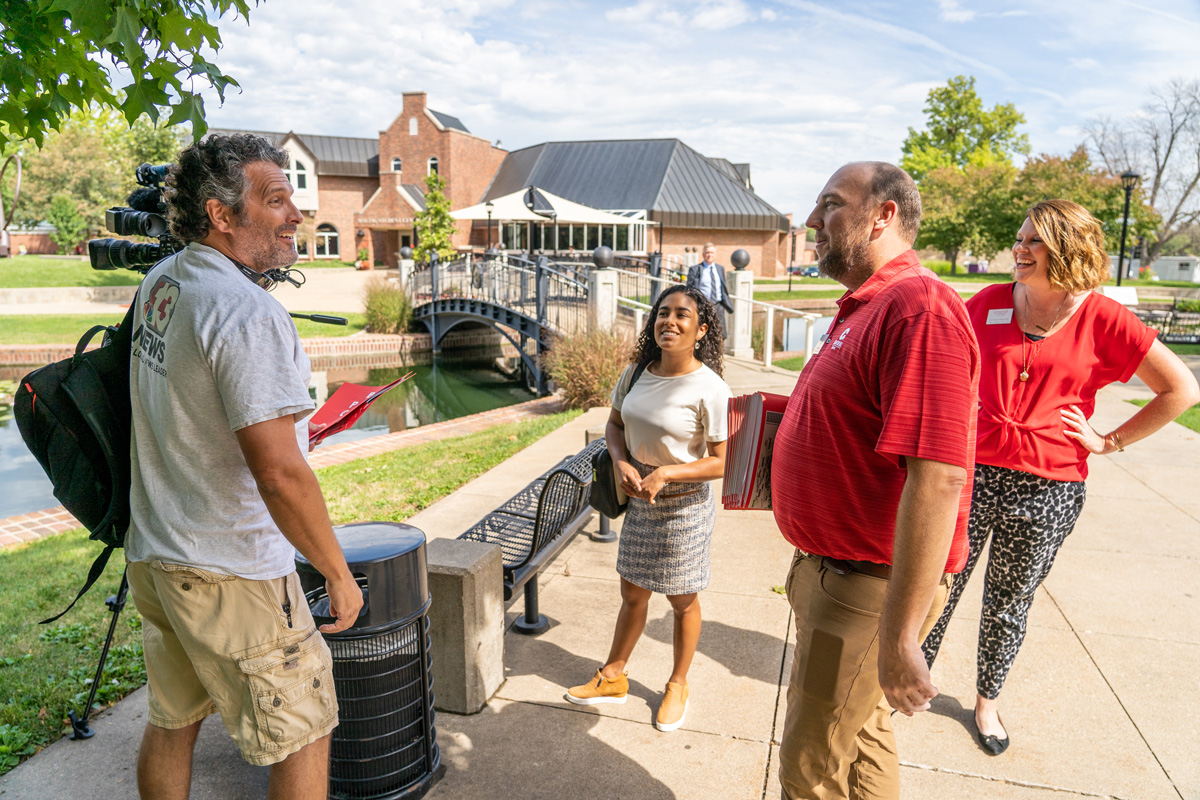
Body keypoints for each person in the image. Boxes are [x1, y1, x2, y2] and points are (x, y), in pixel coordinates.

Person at [125, 133, 363, 800]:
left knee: (173, 720)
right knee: (304, 729)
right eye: (278, 200)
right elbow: (279, 472)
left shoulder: (164, 281)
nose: (297, 215)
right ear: (222, 215)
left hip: (159, 554)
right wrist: (339, 575)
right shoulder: (245, 312)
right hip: (234, 569)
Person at [921, 199, 1200, 756]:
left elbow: (1182, 391)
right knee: (939, 583)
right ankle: (911, 678)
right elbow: (942, 367)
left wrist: (1109, 440)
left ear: (1067, 251)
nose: (1018, 250)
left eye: (1033, 242)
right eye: (1019, 239)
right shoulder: (990, 303)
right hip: (971, 474)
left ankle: (986, 703)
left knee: (1008, 599)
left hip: (1048, 486)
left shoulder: (1104, 317)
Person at [771, 162, 980, 800]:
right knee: (860, 744)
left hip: (864, 588)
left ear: (883, 215)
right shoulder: (866, 304)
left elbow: (939, 478)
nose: (811, 222)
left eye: (830, 205)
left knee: (811, 769)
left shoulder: (919, 308)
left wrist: (897, 633)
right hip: (834, 576)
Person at [566, 284, 731, 732]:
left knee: (682, 598)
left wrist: (667, 475)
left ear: (701, 330)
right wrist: (620, 460)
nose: (669, 322)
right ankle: (614, 676)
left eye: (682, 315)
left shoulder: (710, 388)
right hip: (640, 498)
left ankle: (678, 683)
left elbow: (722, 461)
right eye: (663, 313)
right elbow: (615, 424)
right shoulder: (637, 372)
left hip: (683, 507)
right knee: (633, 591)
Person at [686, 243, 734, 315]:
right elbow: (689, 288)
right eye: (707, 252)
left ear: (715, 254)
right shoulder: (695, 269)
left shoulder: (720, 268)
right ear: (703, 254)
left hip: (718, 306)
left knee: (720, 326)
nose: (709, 255)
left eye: (712, 253)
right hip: (702, 306)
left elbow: (723, 288)